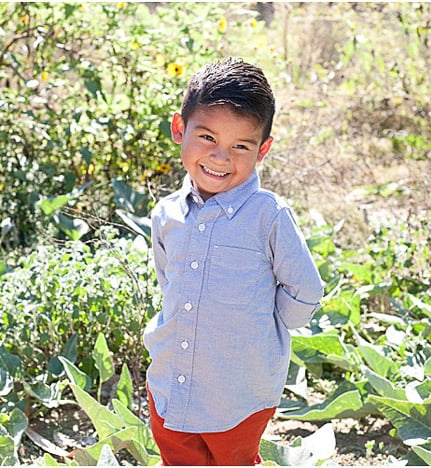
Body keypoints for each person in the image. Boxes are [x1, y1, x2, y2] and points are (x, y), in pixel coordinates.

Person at [143, 57, 324, 466]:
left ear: (262, 150)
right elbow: (167, 281)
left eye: (240, 146)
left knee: (234, 460)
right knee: (179, 458)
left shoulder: (268, 215)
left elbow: (305, 289)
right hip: (173, 377)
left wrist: (263, 329)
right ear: (179, 129)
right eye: (207, 137)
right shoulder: (167, 214)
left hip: (238, 390)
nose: (220, 158)